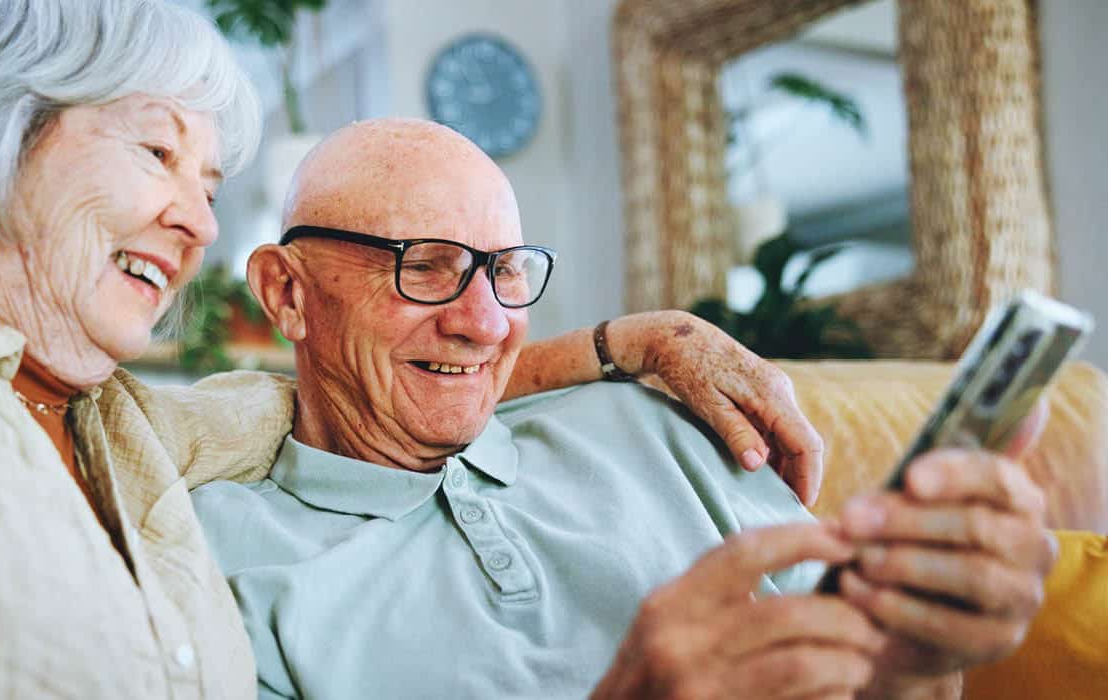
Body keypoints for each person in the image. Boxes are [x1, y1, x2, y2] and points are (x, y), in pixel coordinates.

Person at [0, 1, 829, 698]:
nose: (200, 222)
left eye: (211, 183)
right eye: (158, 156)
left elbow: (373, 375)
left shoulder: (129, 428)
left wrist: (639, 342)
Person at [190, 118, 1058, 699]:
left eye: (505, 269)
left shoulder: (659, 424)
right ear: (285, 292)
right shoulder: (218, 562)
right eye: (424, 265)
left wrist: (924, 652)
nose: (484, 322)